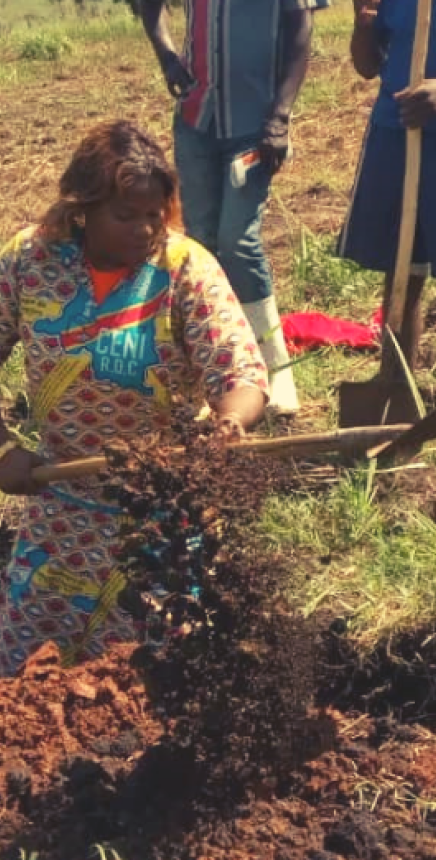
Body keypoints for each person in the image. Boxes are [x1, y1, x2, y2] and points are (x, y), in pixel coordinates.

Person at [0, 120, 268, 677]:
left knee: (155, 680)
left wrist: (229, 425)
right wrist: (4, 451)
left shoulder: (184, 269)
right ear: (82, 211)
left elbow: (241, 371)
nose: (145, 229)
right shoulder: (29, 262)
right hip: (61, 510)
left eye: (155, 214)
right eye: (126, 215)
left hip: (160, 515)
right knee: (27, 682)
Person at [139, 0, 331, 414]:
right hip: (197, 120)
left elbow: (300, 31)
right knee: (201, 244)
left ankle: (277, 369)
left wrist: (280, 117)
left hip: (256, 125)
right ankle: (210, 376)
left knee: (238, 241)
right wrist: (168, 58)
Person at [338, 0, 436, 411]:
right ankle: (395, 395)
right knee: (401, 277)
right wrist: (363, 27)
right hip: (394, 133)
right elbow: (367, 65)